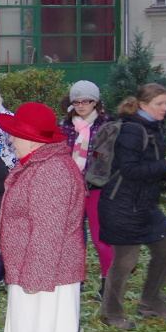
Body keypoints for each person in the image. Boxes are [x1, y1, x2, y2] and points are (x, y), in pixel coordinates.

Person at [0, 102, 86, 332]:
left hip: (46, 275)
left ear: (32, 139)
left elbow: (48, 232)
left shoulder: (51, 172)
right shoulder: (42, 165)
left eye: (15, 135)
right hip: (36, 270)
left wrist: (34, 279)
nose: (11, 141)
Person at [98, 84, 166, 329]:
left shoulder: (153, 127)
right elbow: (129, 170)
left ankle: (151, 301)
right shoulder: (132, 130)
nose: (165, 108)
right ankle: (111, 313)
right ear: (143, 104)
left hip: (145, 204)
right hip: (122, 205)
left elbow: (148, 169)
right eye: (160, 103)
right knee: (125, 261)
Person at [59, 80, 114, 293]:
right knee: (74, 235)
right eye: (77, 102)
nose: (81, 106)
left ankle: (108, 280)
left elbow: (107, 158)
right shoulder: (65, 126)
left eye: (87, 101)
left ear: (95, 102)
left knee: (100, 235)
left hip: (96, 186)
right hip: (71, 186)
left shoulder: (105, 126)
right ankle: (75, 278)